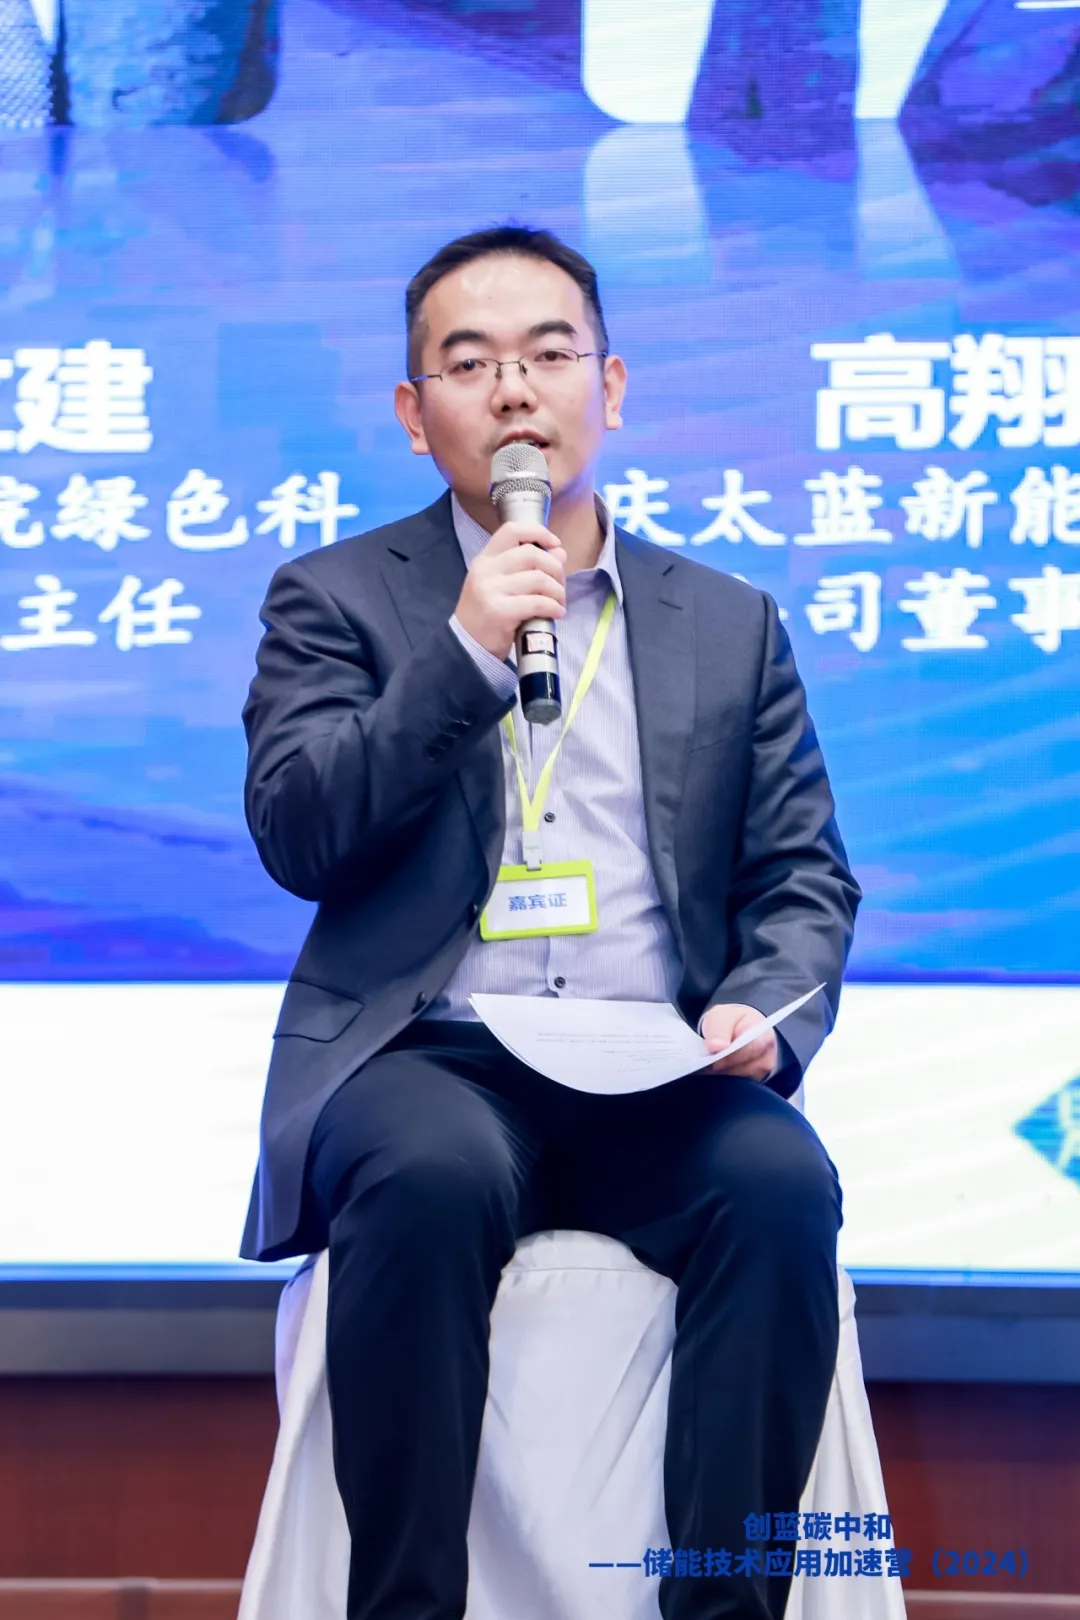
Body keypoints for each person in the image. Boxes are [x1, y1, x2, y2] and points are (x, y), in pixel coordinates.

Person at [240, 224, 861, 1620]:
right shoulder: (335, 599)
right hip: (433, 1058)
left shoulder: (729, 622)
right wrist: (465, 649)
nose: (514, 389)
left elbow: (805, 877)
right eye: (469, 364)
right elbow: (299, 832)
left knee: (780, 1186)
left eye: (549, 354)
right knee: (428, 1175)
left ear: (611, 386)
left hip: (659, 1061)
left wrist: (764, 1007)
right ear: (416, 415)